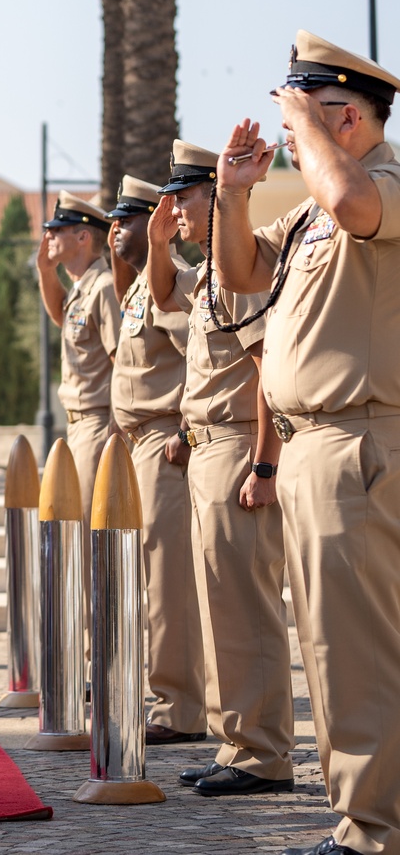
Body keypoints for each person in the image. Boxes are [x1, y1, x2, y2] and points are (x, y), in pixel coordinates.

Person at [214, 31, 400, 855]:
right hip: (312, 447)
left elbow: (357, 205)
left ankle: (373, 832)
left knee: (354, 652)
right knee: (331, 650)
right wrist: (231, 194)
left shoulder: (378, 183)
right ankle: (361, 819)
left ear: (349, 118)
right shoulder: (313, 208)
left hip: (357, 438)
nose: (288, 130)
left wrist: (312, 135)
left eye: (305, 114)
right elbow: (243, 273)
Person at [146, 141, 294, 797]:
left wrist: (265, 463)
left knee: (246, 608)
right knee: (218, 610)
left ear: (218, 196)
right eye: (172, 197)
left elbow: (267, 375)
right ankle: (236, 741)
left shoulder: (237, 274)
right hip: (208, 449)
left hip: (237, 448)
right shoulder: (208, 274)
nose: (175, 208)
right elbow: (158, 294)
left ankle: (262, 753)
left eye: (186, 196)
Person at [109, 173, 206, 746]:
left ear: (160, 222)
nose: (116, 228)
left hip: (166, 442)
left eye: (129, 219)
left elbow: (212, 358)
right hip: (137, 443)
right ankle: (171, 697)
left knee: (169, 581)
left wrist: (190, 430)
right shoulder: (141, 289)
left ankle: (178, 707)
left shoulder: (183, 284)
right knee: (150, 578)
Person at [36, 190, 120, 658]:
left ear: (82, 237)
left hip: (97, 423)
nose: (47, 237)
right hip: (78, 425)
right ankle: (91, 648)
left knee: (92, 542)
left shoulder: (103, 287)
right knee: (80, 539)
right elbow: (60, 316)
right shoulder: (83, 289)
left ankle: (99, 651)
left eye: (57, 230)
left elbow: (120, 361)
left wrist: (117, 432)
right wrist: (44, 270)